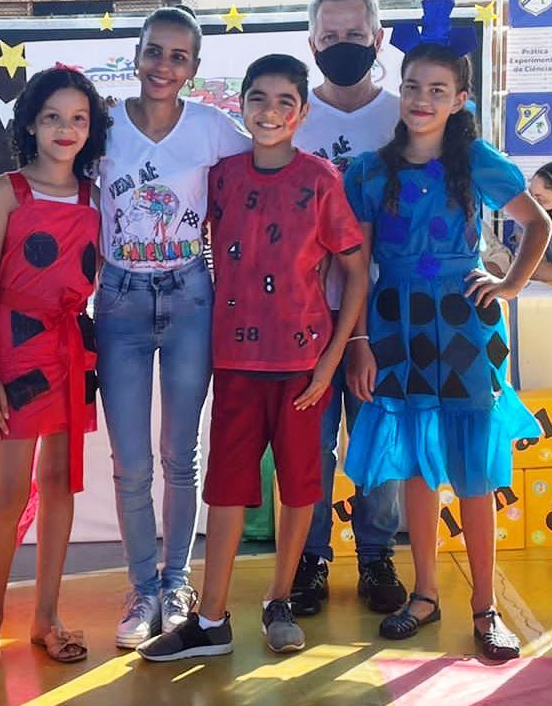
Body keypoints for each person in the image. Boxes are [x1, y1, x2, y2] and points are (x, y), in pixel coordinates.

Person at [138, 55, 369, 661]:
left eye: (285, 101)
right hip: (236, 362)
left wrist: (333, 359)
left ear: (303, 112)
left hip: (303, 367)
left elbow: (355, 268)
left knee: (300, 486)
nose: (270, 111)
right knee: (227, 488)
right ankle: (211, 618)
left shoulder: (320, 179)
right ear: (240, 105)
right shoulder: (222, 177)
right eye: (258, 99)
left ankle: (279, 599)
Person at [341, 0, 551, 660]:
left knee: (473, 470)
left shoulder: (478, 161)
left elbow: (538, 223)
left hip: (463, 324)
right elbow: (357, 264)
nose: (421, 99)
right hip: (397, 324)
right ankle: (425, 593)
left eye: (437, 90)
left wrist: (510, 285)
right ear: (399, 91)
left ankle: (485, 606)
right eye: (412, 87)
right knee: (415, 466)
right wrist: (360, 341)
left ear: (460, 99)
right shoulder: (369, 170)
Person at [96, 5, 251, 649]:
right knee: (131, 462)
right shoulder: (102, 125)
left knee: (179, 454)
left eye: (178, 56)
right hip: (120, 299)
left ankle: (177, 583)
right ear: (136, 55)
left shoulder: (212, 127)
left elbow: (262, 176)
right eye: (154, 51)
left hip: (189, 296)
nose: (163, 65)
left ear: (194, 67)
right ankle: (142, 589)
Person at [0, 66, 110, 669]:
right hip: (17, 349)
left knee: (58, 482)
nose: (65, 129)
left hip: (74, 350)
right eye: (52, 117)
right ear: (30, 124)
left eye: (78, 119)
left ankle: (46, 616)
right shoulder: (7, 191)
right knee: (11, 487)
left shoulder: (94, 198)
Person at [290, 0, 406, 617]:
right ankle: (309, 558)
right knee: (310, 442)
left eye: (354, 35)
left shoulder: (403, 115)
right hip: (305, 311)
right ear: (312, 43)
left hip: (385, 309)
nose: (342, 46)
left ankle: (377, 555)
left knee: (377, 436)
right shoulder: (292, 115)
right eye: (329, 36)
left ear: (377, 38)